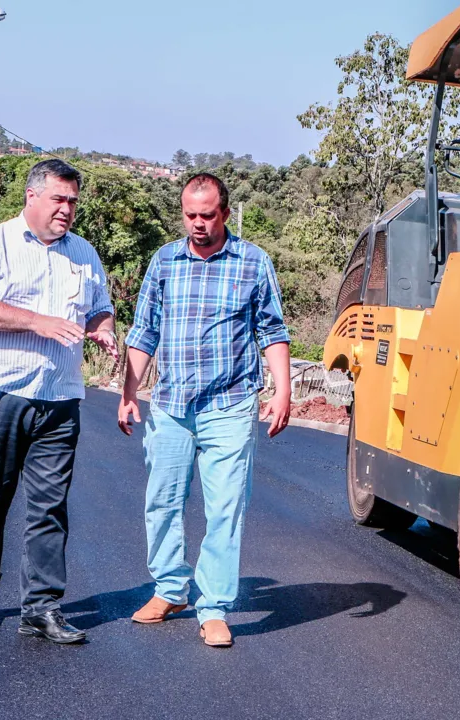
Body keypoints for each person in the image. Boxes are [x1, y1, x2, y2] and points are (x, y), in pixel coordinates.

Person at [118, 173, 291, 649]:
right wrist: (128, 391)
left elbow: (272, 331)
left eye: (207, 215)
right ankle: (170, 590)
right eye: (190, 214)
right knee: (163, 502)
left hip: (230, 406)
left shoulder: (252, 262)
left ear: (225, 213)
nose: (197, 224)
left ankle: (212, 606)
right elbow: (144, 332)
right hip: (172, 406)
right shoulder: (165, 261)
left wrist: (282, 390)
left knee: (225, 508)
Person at [0, 159, 119, 644]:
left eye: (72, 201)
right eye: (59, 200)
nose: (67, 210)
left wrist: (103, 329)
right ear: (32, 196)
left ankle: (42, 607)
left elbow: (99, 308)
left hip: (61, 399)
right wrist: (38, 321)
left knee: (49, 507)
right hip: (0, 394)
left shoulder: (84, 253)